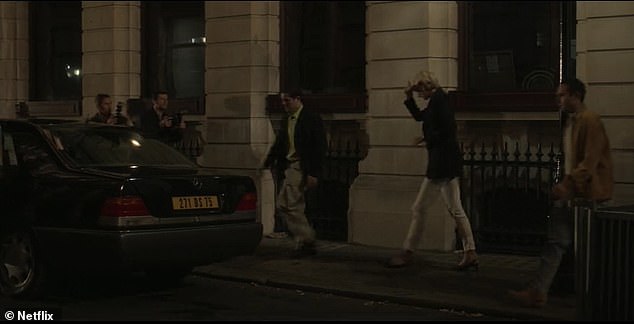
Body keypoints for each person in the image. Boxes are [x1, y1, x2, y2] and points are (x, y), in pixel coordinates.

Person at [509, 78, 613, 307]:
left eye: (563, 95)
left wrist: (567, 183)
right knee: (556, 242)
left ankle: (595, 296)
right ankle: (539, 291)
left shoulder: (590, 121)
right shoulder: (571, 122)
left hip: (586, 194)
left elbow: (590, 161)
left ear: (576, 95)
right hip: (570, 193)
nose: (559, 99)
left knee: (586, 247)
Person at [386, 71, 479, 271]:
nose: (419, 95)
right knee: (456, 209)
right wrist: (408, 97)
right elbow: (421, 117)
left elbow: (448, 129)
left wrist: (427, 139)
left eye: (419, 92)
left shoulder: (440, 101)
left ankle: (408, 251)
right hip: (445, 163)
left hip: (441, 164)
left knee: (419, 208)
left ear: (426, 87)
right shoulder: (436, 101)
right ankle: (470, 251)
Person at [264, 89, 327, 258]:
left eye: (287, 101)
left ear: (297, 99)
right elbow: (280, 143)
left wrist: (314, 173)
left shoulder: (311, 118)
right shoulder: (287, 119)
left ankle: (307, 239)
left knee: (288, 204)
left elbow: (319, 147)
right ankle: (304, 240)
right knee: (288, 205)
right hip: (290, 165)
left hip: (301, 166)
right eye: (282, 101)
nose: (284, 104)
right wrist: (267, 162)